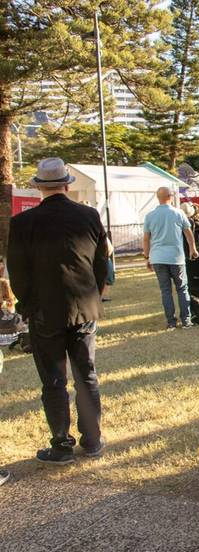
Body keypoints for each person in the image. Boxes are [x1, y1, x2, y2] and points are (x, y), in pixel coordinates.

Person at [7, 157, 109, 464]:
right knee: (86, 375)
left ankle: (62, 445)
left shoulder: (23, 223)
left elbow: (17, 271)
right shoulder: (89, 215)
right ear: (67, 184)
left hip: (44, 310)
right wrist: (95, 293)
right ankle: (92, 440)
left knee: (53, 379)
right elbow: (101, 263)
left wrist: (27, 306)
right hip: (84, 307)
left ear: (40, 187)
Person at [143, 186, 199, 331]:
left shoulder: (150, 215)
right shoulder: (178, 213)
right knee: (182, 288)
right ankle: (186, 320)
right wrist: (193, 248)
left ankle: (171, 322)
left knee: (165, 290)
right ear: (170, 197)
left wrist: (146, 256)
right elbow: (188, 233)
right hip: (176, 256)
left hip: (158, 256)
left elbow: (146, 238)